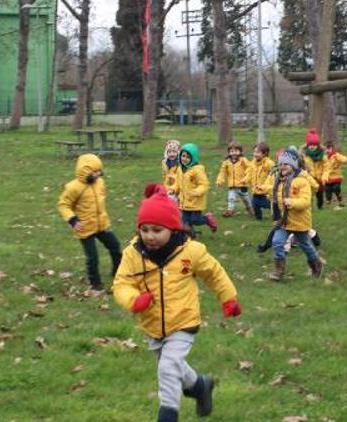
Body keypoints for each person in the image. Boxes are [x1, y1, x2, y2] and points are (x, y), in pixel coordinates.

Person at [113, 184, 242, 422]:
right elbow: (121, 283)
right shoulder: (133, 254)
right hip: (152, 324)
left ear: (172, 230)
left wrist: (228, 298)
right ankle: (200, 386)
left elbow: (214, 273)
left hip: (183, 321)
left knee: (167, 367)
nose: (150, 236)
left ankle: (168, 414)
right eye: (145, 229)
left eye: (157, 230)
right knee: (173, 367)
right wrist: (133, 300)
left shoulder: (190, 252)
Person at [57, 153, 122, 291]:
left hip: (102, 224)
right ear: (85, 171)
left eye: (99, 171)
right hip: (84, 227)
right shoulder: (73, 187)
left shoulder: (100, 183)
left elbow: (100, 198)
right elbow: (63, 204)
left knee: (115, 247)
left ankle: (118, 273)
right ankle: (95, 283)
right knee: (92, 257)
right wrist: (72, 219)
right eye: (95, 171)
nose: (98, 174)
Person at [268, 149, 323, 281]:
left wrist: (291, 202)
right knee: (277, 241)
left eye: (286, 164)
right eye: (281, 164)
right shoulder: (279, 181)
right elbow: (275, 196)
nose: (282, 167)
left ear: (294, 165)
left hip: (300, 222)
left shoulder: (302, 181)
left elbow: (305, 202)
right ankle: (279, 269)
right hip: (284, 221)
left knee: (306, 245)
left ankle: (316, 263)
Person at [176, 143, 217, 237]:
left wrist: (197, 191)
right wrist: (174, 189)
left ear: (193, 158)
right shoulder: (180, 169)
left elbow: (204, 184)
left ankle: (207, 219)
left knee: (195, 220)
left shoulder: (197, 170)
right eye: (183, 156)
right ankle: (191, 236)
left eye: (187, 157)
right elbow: (178, 182)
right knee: (185, 222)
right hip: (184, 201)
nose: (184, 159)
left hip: (195, 201)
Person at [215, 142, 253, 217]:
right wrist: (219, 181)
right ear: (229, 152)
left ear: (240, 152)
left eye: (236, 151)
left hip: (242, 185)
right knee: (231, 198)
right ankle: (230, 211)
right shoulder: (226, 162)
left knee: (246, 200)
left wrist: (246, 178)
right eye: (232, 151)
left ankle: (250, 209)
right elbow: (222, 172)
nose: (234, 153)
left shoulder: (243, 160)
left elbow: (250, 168)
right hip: (232, 186)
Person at [302, 128, 328, 209]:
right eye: (310, 145)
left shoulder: (323, 156)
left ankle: (320, 206)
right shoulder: (304, 155)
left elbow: (327, 168)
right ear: (307, 145)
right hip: (309, 177)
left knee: (319, 194)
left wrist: (324, 177)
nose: (312, 147)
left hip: (320, 178)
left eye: (314, 145)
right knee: (308, 193)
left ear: (318, 145)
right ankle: (308, 207)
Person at [250, 142, 275, 221]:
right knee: (254, 204)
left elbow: (274, 172)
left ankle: (275, 214)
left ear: (265, 153)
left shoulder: (269, 163)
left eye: (258, 152)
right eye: (254, 152)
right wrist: (245, 179)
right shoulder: (253, 163)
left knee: (269, 204)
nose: (255, 154)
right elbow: (249, 172)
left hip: (265, 191)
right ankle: (258, 218)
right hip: (256, 189)